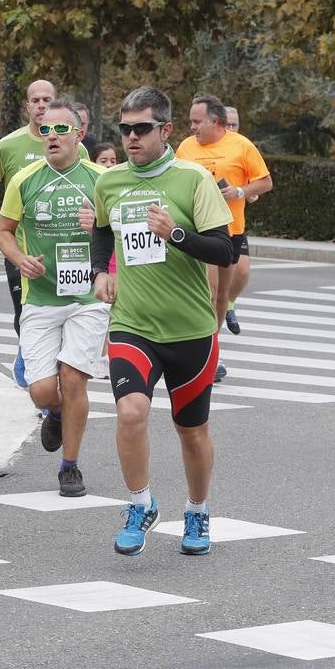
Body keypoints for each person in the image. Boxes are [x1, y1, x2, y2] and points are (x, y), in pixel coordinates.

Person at [91, 87, 234, 558]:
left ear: (165, 130)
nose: (131, 137)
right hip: (133, 324)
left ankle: (197, 510)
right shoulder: (110, 182)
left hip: (190, 328)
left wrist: (174, 233)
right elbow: (101, 232)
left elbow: (222, 250)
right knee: (130, 412)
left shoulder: (193, 180)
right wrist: (99, 272)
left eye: (141, 128)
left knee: (191, 431)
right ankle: (140, 503)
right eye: (124, 129)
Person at [0, 98, 107, 498]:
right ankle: (55, 412)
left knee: (74, 377)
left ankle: (70, 467)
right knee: (42, 390)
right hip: (41, 298)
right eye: (46, 130)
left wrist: (100, 223)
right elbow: (3, 230)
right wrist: (20, 259)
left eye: (62, 130)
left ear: (79, 134)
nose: (53, 137)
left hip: (87, 298)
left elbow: (121, 233)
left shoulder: (100, 179)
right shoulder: (24, 179)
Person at [0, 79, 88, 384]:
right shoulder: (8, 145)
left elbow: (94, 197)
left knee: (72, 318)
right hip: (24, 250)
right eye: (35, 100)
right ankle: (30, 356)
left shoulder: (80, 149)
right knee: (25, 311)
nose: (41, 105)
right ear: (27, 106)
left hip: (71, 252)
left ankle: (57, 372)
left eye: (47, 100)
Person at [175, 94, 272, 375]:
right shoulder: (185, 147)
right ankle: (201, 351)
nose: (191, 127)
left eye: (196, 121)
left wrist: (239, 192)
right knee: (209, 290)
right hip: (198, 230)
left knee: (221, 296)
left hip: (231, 230)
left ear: (214, 122)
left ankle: (212, 350)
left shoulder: (241, 145)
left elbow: (265, 182)